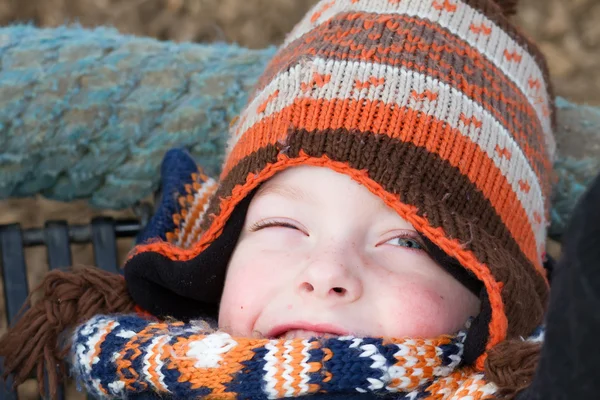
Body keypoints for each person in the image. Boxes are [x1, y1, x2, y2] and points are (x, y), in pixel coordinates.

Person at [2, 0, 598, 399]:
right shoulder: (138, 363)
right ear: (219, 256)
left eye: (408, 239)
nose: (327, 274)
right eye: (283, 225)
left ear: (492, 298)